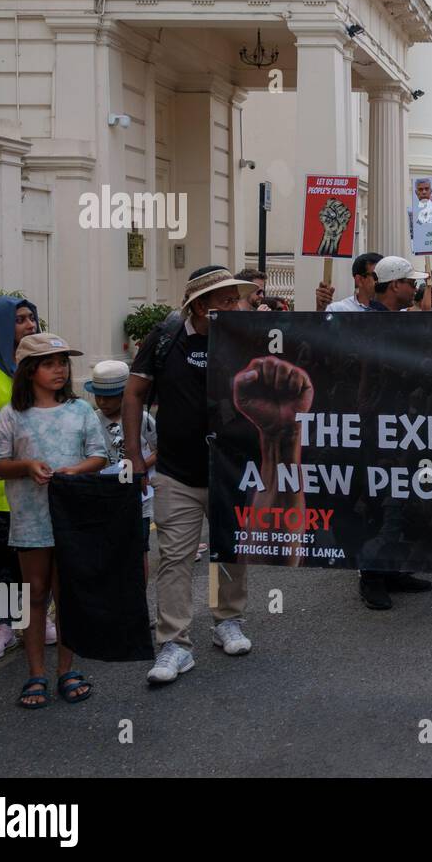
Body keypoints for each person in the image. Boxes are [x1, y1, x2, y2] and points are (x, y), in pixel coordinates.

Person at [124, 267, 258, 685]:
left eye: (237, 299)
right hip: (176, 474)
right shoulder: (165, 339)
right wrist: (134, 453)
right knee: (175, 558)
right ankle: (175, 644)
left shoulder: (243, 336)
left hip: (232, 470)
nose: (236, 306)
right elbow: (134, 392)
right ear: (200, 306)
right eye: (226, 300)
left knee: (229, 550)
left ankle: (227, 621)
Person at [0, 333, 108, 708]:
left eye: (62, 362)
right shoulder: (11, 415)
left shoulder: (80, 410)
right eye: (49, 363)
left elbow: (99, 455)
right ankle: (35, 673)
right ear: (29, 371)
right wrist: (25, 466)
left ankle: (66, 670)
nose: (59, 369)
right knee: (35, 594)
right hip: (30, 519)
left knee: (67, 597)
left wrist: (75, 471)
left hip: (71, 518)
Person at [358, 256, 432, 608]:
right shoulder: (370, 326)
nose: (414, 288)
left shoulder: (398, 322)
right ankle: (371, 575)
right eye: (410, 283)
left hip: (406, 424)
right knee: (379, 502)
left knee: (400, 500)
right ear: (394, 286)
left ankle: (392, 567)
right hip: (380, 427)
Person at [0, 296, 43, 659]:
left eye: (32, 318)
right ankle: (2, 626)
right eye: (19, 320)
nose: (29, 325)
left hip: (38, 483)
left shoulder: (43, 363)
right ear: (0, 327)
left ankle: (39, 617)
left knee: (37, 555)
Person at [86, 360, 157, 583]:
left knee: (138, 550)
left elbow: (160, 448)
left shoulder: (143, 419)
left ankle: (138, 602)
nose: (103, 402)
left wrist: (141, 464)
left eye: (110, 396)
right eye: (99, 396)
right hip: (104, 497)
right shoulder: (91, 420)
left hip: (139, 499)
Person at [315, 252, 383, 313]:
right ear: (359, 280)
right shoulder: (338, 310)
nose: (383, 280)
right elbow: (321, 326)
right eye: (376, 276)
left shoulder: (390, 308)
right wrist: (321, 310)